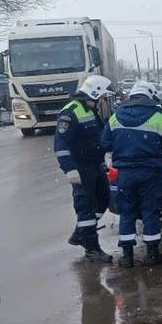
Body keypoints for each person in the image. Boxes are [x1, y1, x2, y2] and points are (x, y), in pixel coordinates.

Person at [101, 82, 162, 267]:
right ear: (149, 96)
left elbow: (105, 144)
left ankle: (127, 256)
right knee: (150, 211)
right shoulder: (159, 117)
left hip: (125, 174)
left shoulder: (115, 117)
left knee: (127, 212)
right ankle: (152, 254)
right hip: (150, 173)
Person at [54, 75, 116, 262]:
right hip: (80, 168)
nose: (105, 101)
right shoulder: (71, 112)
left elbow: (96, 139)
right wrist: (69, 170)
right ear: (95, 93)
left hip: (94, 166)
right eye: (104, 97)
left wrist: (102, 162)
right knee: (86, 208)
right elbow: (60, 144)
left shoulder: (90, 109)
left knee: (103, 198)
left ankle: (81, 234)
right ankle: (91, 248)